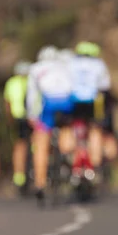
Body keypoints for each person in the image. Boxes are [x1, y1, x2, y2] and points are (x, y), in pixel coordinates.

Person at [27, 45, 75, 204]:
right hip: (66, 103)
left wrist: (32, 116)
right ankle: (67, 157)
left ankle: (40, 184)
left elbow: (33, 95)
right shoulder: (66, 66)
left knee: (41, 145)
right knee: (66, 131)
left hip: (47, 104)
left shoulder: (35, 69)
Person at [69, 41, 112, 172]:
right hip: (93, 102)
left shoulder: (71, 63)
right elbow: (105, 86)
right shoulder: (99, 64)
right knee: (95, 129)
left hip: (74, 101)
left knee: (74, 129)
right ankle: (94, 164)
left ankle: (74, 163)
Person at [4, 61, 32, 188]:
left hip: (17, 118)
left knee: (19, 146)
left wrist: (9, 120)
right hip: (31, 117)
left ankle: (18, 175)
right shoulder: (31, 80)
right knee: (35, 143)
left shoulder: (11, 82)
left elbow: (7, 103)